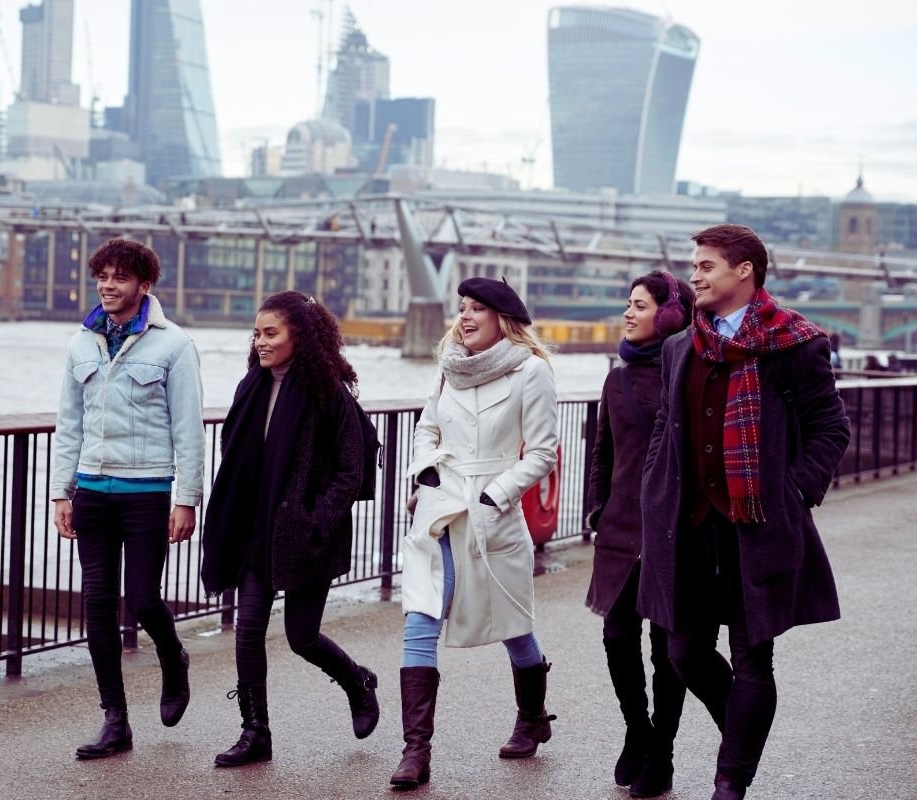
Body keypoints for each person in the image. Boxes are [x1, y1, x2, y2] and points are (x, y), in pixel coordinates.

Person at [638, 224, 850, 799]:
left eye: (706, 266)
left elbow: (832, 428)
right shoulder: (681, 346)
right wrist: (654, 491)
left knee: (754, 655)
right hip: (690, 529)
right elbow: (665, 428)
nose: (695, 276)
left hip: (757, 527)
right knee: (684, 652)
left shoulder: (797, 344)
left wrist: (794, 493)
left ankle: (729, 781)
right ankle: (743, 736)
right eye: (696, 265)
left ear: (744, 271)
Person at [392, 277, 559, 790]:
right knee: (420, 620)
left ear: (502, 319)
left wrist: (496, 494)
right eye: (462, 308)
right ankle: (415, 750)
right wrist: (427, 471)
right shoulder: (447, 370)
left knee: (513, 627)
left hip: (490, 516)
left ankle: (532, 717)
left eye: (477, 309)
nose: (465, 317)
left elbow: (543, 453)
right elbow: (427, 428)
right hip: (440, 510)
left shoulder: (531, 372)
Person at [200, 291, 380, 768]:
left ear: (298, 335)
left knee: (302, 637)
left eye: (270, 333)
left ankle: (358, 682)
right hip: (256, 530)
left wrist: (317, 518)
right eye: (256, 333)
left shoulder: (329, 395)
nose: (260, 342)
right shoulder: (250, 387)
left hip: (305, 535)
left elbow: (351, 469)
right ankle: (255, 732)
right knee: (248, 630)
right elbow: (235, 453)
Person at [51, 238, 205, 760]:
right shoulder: (82, 343)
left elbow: (189, 430)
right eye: (102, 277)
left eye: (119, 278)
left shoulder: (173, 345)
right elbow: (68, 424)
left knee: (141, 598)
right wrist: (61, 492)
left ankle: (172, 656)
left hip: (147, 492)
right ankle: (114, 720)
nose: (108, 286)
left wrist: (186, 499)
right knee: (96, 603)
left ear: (144, 285)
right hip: (92, 491)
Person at [585, 270, 692, 797]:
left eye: (641, 305)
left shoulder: (688, 372)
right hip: (621, 527)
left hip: (672, 527)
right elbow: (603, 450)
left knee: (667, 646)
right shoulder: (616, 377)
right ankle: (638, 730)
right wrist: (597, 510)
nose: (628, 313)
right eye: (627, 303)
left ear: (670, 314)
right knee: (616, 636)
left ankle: (663, 752)